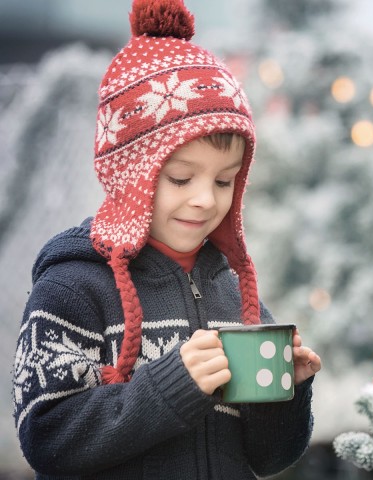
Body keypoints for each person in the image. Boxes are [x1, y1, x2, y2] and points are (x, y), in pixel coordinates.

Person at [12, 0, 321, 478]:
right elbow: (47, 439)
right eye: (181, 179)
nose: (205, 200)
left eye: (224, 182)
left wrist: (287, 391)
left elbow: (270, 457)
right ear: (130, 174)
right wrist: (172, 384)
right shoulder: (72, 290)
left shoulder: (235, 293)